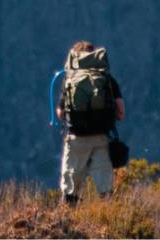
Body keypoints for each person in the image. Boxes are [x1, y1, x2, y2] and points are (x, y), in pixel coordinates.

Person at [56, 40, 125, 204]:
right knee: (105, 187)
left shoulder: (70, 79)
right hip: (101, 137)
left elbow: (60, 112)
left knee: (71, 184)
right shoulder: (106, 78)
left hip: (76, 138)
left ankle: (68, 221)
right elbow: (121, 112)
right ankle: (109, 219)